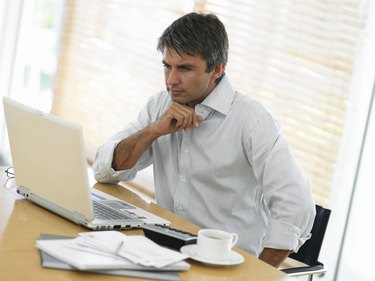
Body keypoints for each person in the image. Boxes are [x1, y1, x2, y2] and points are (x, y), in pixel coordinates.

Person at [93, 12, 316, 267]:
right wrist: (153, 131)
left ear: (217, 69)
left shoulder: (252, 121)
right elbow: (105, 170)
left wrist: (258, 275)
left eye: (185, 68)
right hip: (162, 252)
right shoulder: (160, 105)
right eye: (167, 66)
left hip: (225, 265)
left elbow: (295, 207)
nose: (171, 80)